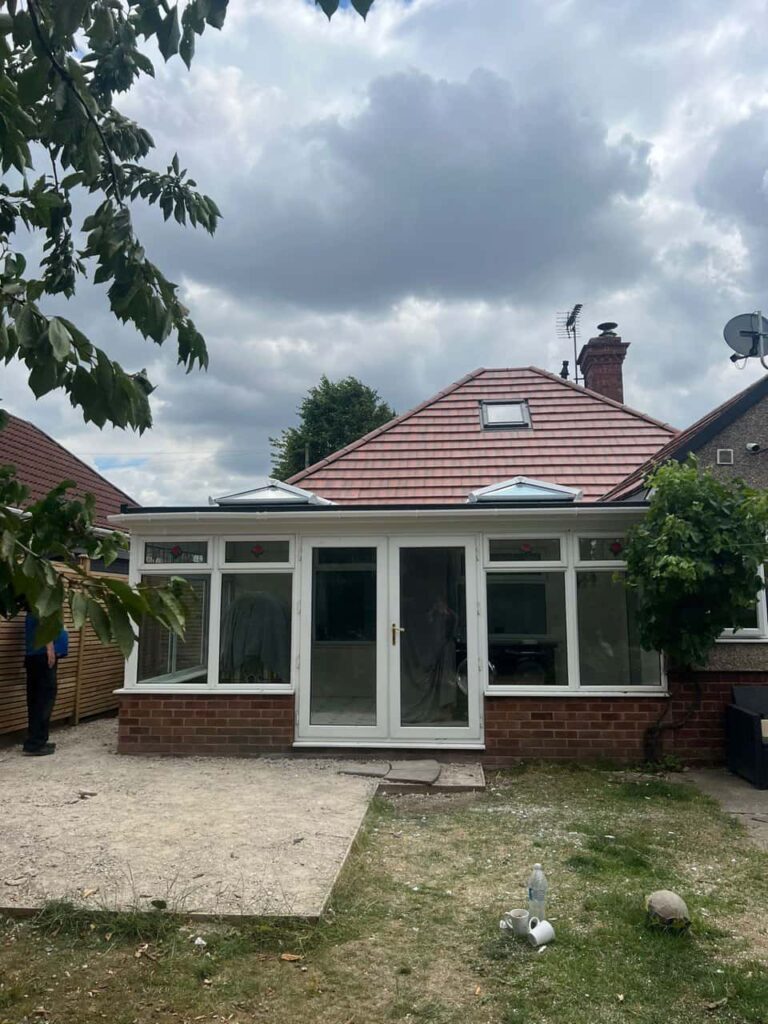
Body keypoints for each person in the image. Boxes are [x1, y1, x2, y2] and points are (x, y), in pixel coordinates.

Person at [23, 613, 68, 756]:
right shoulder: (42, 608)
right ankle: (36, 743)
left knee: (37, 699)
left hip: (36, 656)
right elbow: (44, 625)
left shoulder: (35, 608)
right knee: (44, 700)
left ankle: (37, 740)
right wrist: (50, 648)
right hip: (43, 657)